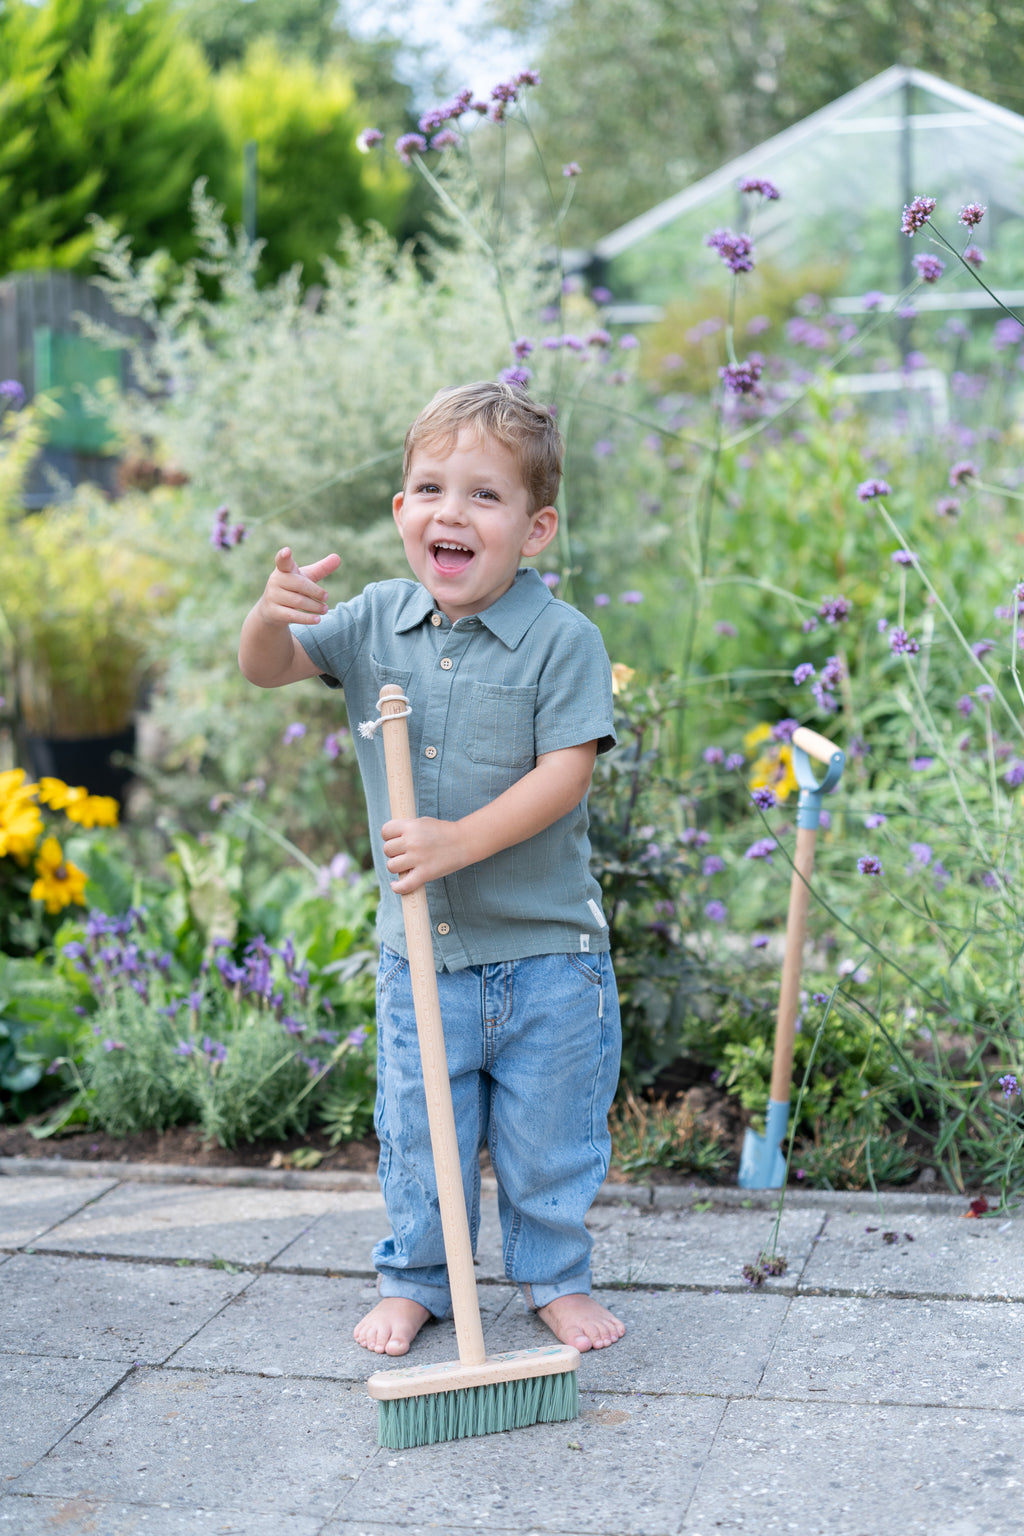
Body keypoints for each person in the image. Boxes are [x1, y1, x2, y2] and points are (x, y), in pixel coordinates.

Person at [239, 380, 625, 1359]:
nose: (450, 511)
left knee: (550, 1138)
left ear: (535, 529)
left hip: (547, 954)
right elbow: (269, 666)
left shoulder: (562, 640)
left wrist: (458, 841)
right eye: (428, 488)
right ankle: (416, 1278)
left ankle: (550, 1276)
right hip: (423, 956)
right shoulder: (374, 623)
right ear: (401, 511)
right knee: (421, 1135)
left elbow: (565, 775)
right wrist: (266, 613)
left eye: (483, 496)